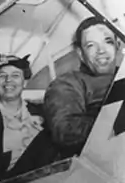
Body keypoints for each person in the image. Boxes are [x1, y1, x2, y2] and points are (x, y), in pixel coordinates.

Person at [0, 54, 58, 183]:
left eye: (15, 75)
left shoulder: (42, 111)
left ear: (24, 82)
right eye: (3, 76)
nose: (9, 80)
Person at [44, 16, 120, 159]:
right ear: (81, 54)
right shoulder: (68, 83)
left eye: (108, 41)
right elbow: (66, 130)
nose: (101, 50)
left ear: (117, 45)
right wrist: (119, 122)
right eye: (91, 45)